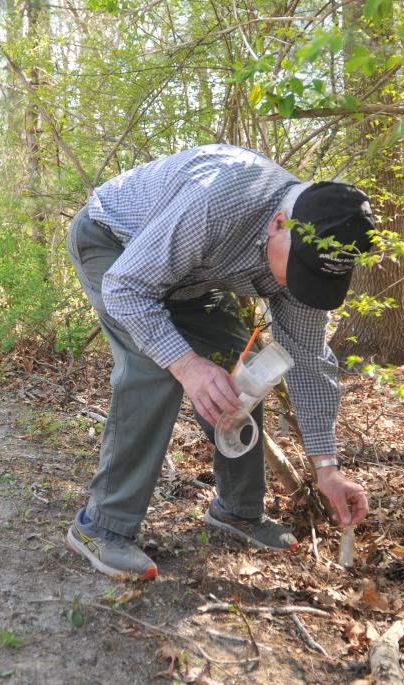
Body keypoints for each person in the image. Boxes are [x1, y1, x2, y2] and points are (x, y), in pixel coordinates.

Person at [65, 143, 374, 580]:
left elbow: (307, 361)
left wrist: (328, 470)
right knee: (156, 367)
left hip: (189, 277)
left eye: (316, 279)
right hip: (114, 246)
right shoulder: (219, 201)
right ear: (278, 223)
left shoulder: (313, 253)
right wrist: (187, 365)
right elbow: (127, 288)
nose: (296, 285)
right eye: (299, 268)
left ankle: (237, 512)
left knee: (245, 372)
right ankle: (101, 526)